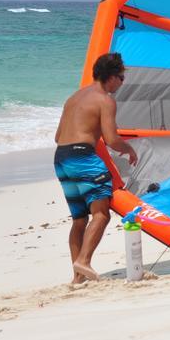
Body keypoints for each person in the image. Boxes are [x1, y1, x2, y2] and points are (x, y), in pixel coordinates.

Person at [53, 52, 138, 284]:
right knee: (101, 214)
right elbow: (112, 139)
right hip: (83, 158)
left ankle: (77, 277)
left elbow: (58, 136)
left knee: (79, 220)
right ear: (110, 77)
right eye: (121, 78)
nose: (122, 83)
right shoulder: (105, 100)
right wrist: (129, 149)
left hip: (61, 158)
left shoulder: (73, 98)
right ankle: (84, 261)